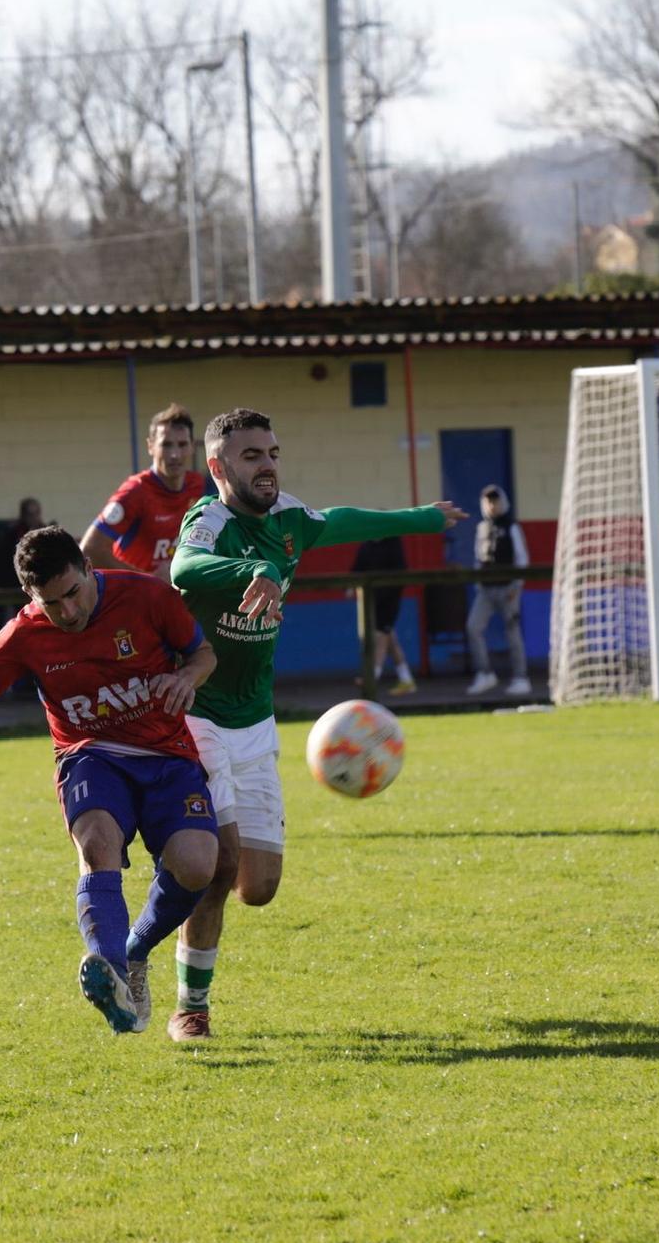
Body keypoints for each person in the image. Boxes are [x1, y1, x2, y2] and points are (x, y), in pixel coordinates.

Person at [166, 408, 465, 1040]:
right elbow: (183, 571)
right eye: (251, 456)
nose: (268, 465)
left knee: (258, 887)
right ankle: (190, 1007)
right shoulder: (210, 519)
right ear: (218, 467)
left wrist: (422, 518)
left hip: (255, 722)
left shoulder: (288, 521)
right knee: (218, 868)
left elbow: (346, 520)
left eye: (272, 452)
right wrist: (257, 570)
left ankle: (179, 875)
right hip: (198, 717)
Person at [0, 525, 220, 1034]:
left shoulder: (147, 597)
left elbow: (204, 655)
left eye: (72, 594)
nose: (66, 612)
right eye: (50, 602)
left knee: (197, 866)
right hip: (90, 756)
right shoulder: (21, 635)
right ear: (29, 595)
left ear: (89, 569)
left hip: (166, 755)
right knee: (96, 842)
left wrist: (185, 678)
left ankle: (132, 952)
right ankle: (114, 980)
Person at [80, 403, 207, 578]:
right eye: (166, 445)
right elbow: (90, 549)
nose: (175, 454)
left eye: (182, 444)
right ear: (150, 447)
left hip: (172, 594)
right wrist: (149, 580)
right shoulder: (135, 492)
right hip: (131, 596)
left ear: (192, 447)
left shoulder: (198, 485)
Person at [465, 484, 532, 697]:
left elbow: (522, 558)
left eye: (495, 501)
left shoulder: (511, 526)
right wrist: (479, 584)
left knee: (512, 633)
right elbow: (478, 558)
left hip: (508, 588)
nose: (492, 505)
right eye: (488, 501)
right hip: (486, 589)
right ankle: (485, 673)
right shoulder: (481, 528)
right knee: (473, 627)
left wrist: (517, 585)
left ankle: (521, 678)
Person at [351, 534, 416, 696]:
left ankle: (372, 676)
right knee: (389, 638)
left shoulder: (394, 543)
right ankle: (406, 679)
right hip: (371, 599)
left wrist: (389, 592)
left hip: (390, 598)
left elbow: (401, 570)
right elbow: (356, 568)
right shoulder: (367, 544)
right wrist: (350, 586)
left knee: (382, 634)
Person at [0, 497, 47, 590]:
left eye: (37, 513)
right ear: (23, 515)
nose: (34, 518)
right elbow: (6, 561)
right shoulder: (12, 534)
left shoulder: (46, 531)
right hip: (16, 578)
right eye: (30, 514)